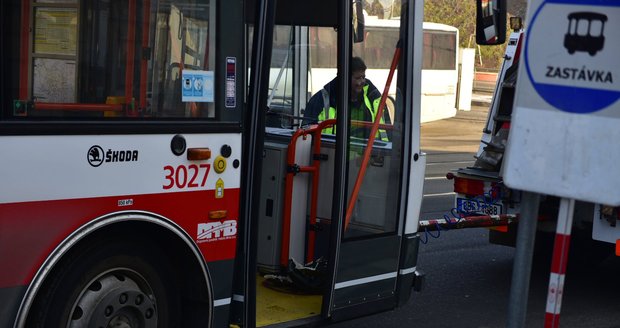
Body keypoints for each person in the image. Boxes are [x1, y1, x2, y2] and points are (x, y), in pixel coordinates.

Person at [303, 57, 390, 140]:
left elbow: (389, 132)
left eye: (363, 77)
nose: (362, 82)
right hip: (331, 152)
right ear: (345, 78)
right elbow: (306, 135)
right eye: (357, 78)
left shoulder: (374, 98)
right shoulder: (320, 100)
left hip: (370, 153)